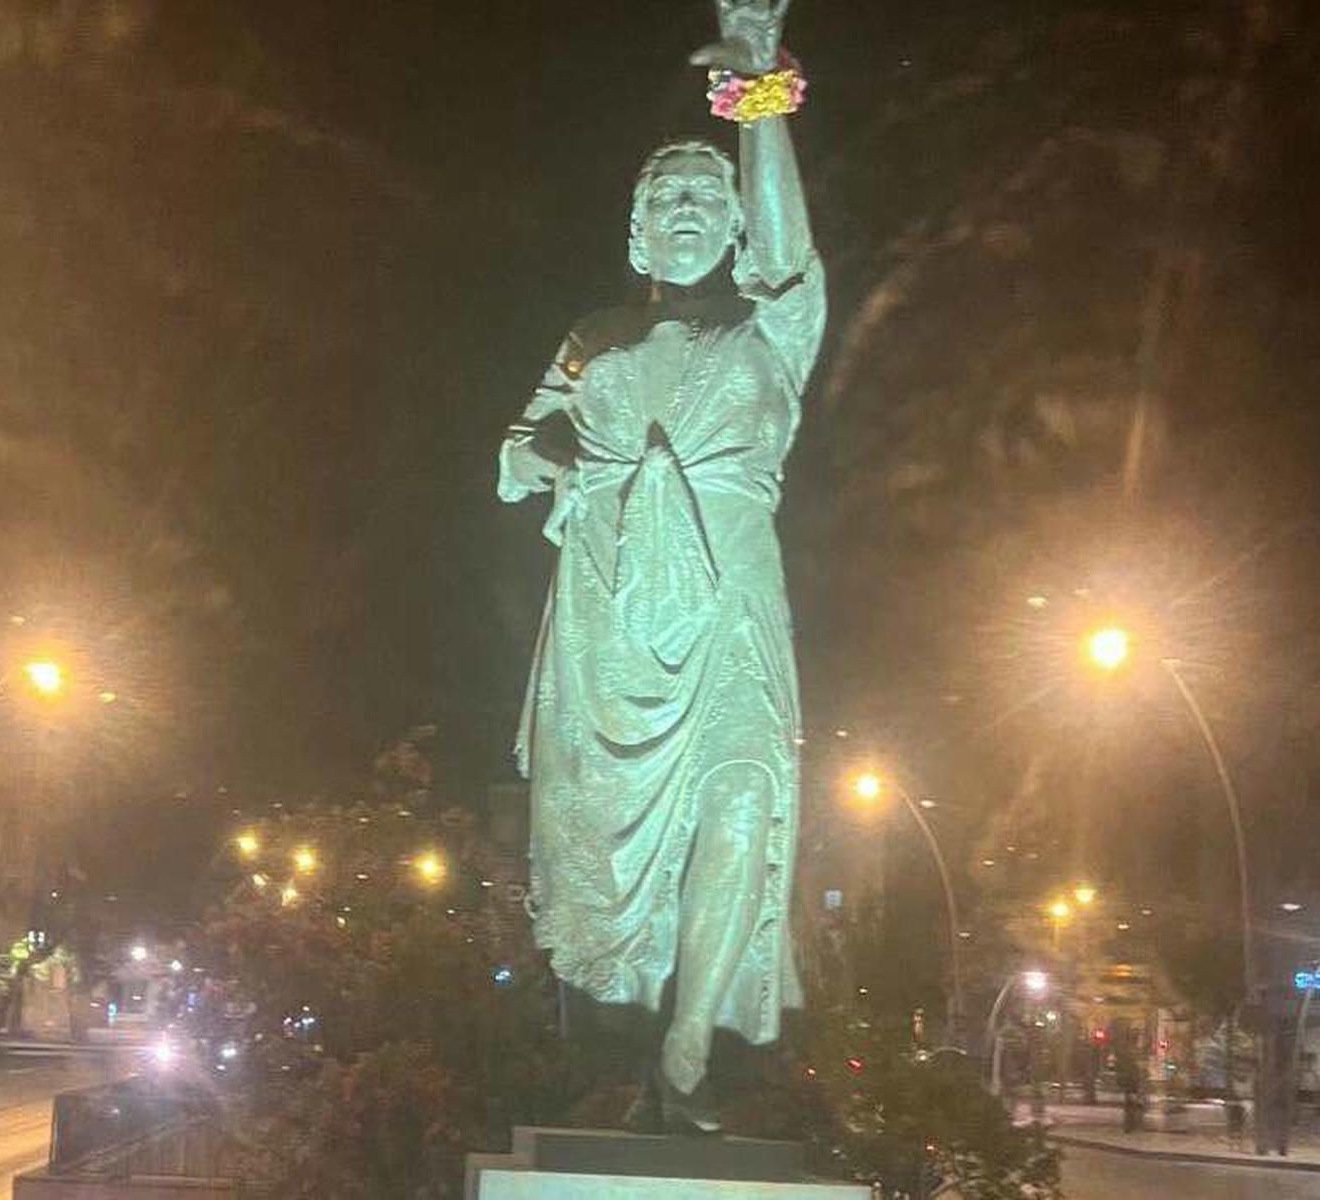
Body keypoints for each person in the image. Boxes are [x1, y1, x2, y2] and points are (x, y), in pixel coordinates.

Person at [498, 0, 823, 1133]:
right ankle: (639, 1036)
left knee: (744, 789)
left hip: (732, 593)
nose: (683, 211)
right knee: (619, 842)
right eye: (661, 200)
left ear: (733, 226)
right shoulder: (593, 337)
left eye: (704, 197)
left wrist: (754, 96)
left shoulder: (771, 327)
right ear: (634, 233)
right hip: (615, 607)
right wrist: (562, 456)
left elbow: (789, 254)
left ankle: (689, 1046)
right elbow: (511, 452)